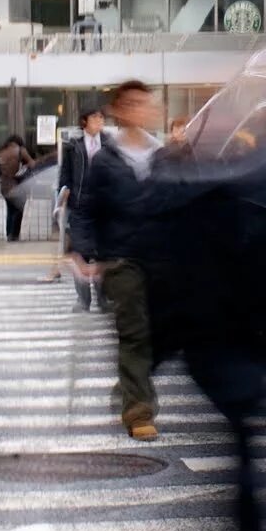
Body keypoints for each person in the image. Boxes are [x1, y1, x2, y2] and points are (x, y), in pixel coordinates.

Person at [86, 81, 165, 440]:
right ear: (118, 109)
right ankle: (138, 409)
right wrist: (87, 252)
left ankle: (130, 383)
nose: (138, 110)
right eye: (130, 103)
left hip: (159, 257)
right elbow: (88, 208)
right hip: (120, 258)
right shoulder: (105, 159)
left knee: (159, 333)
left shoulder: (163, 155)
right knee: (133, 332)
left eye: (144, 103)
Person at [59, 107, 104, 310]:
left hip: (103, 207)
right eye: (95, 117)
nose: (99, 121)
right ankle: (83, 299)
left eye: (102, 117)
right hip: (80, 206)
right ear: (84, 121)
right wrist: (64, 194)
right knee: (80, 254)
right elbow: (65, 176)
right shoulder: (73, 146)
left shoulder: (110, 144)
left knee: (103, 254)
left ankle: (104, 298)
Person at [0, 134, 36, 242]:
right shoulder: (20, 150)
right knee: (18, 210)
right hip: (17, 185)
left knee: (10, 211)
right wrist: (25, 166)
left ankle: (9, 234)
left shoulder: (2, 153)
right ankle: (14, 235)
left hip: (4, 186)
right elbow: (32, 164)